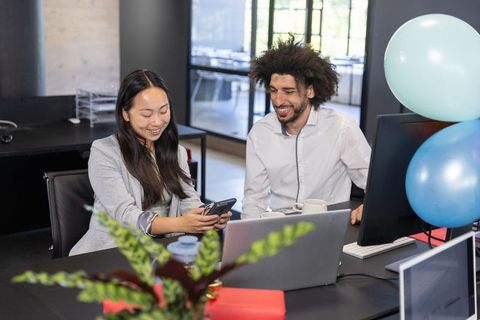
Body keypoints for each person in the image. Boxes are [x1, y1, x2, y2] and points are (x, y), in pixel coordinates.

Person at [70, 69, 231, 255]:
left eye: (163, 111)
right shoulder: (104, 152)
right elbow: (125, 214)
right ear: (125, 114)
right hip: (114, 251)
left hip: (165, 249)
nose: (156, 122)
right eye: (146, 114)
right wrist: (179, 223)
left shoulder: (176, 152)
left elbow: (188, 198)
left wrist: (205, 216)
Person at [242, 37, 371, 224]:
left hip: (330, 227)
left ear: (310, 91)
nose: (278, 100)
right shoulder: (260, 133)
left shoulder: (341, 128)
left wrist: (369, 206)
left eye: (288, 91)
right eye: (273, 90)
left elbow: (373, 181)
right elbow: (254, 199)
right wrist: (248, 240)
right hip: (282, 229)